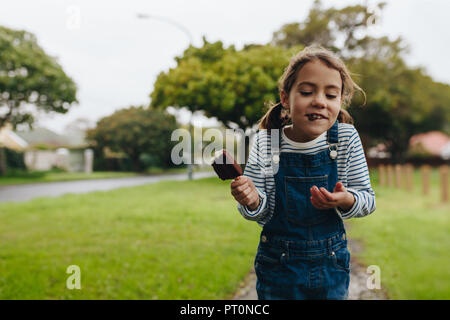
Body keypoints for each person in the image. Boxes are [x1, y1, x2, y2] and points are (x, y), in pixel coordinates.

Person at [230, 45, 376, 300]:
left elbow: (368, 198)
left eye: (331, 95)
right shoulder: (266, 142)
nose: (319, 100)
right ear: (286, 98)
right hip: (278, 266)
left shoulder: (346, 138)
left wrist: (347, 200)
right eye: (307, 91)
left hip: (331, 264)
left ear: (340, 101)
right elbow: (261, 212)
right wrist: (251, 200)